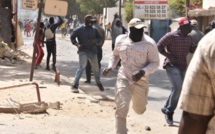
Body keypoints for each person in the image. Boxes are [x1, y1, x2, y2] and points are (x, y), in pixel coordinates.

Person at [103, 18, 159, 134]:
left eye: (142, 29)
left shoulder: (150, 43)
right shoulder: (120, 40)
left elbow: (155, 63)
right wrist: (110, 66)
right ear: (130, 29)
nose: (140, 32)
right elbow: (115, 56)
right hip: (123, 77)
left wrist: (143, 72)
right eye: (136, 29)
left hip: (141, 80)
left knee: (139, 110)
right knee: (121, 108)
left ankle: (140, 102)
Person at [157, 17, 194, 125]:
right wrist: (169, 56)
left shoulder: (189, 38)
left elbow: (191, 49)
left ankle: (165, 107)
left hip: (183, 66)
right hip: (171, 65)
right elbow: (159, 46)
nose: (190, 29)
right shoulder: (171, 36)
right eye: (188, 27)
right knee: (178, 88)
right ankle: (169, 112)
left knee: (177, 89)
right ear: (182, 26)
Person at [178, 29, 215, 134]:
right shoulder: (208, 40)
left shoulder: (208, 40)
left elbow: (194, 116)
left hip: (192, 59)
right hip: (184, 60)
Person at [70, 14, 105, 93]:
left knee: (96, 68)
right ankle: (75, 85)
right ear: (86, 21)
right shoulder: (79, 29)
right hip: (83, 50)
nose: (92, 22)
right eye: (90, 21)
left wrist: (95, 41)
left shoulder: (94, 29)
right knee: (82, 67)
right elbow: (72, 37)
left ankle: (98, 82)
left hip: (93, 51)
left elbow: (100, 38)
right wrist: (77, 44)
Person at [85, 17, 105, 83]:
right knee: (98, 63)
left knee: (88, 64)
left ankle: (88, 79)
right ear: (97, 22)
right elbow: (103, 39)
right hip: (98, 47)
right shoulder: (102, 29)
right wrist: (99, 45)